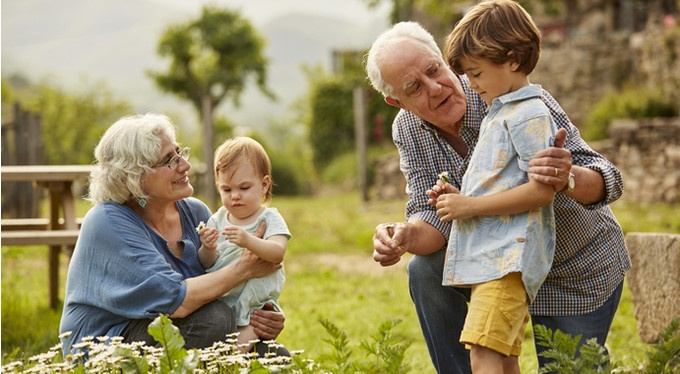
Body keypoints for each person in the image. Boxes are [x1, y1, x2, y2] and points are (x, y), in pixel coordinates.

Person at [365, 18, 630, 374]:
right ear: (396, 101)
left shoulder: (513, 95)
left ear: (444, 60)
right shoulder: (409, 129)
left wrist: (566, 175)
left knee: (569, 368)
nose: (436, 87)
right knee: (425, 270)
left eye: (434, 69)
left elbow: (608, 179)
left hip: (570, 267)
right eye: (415, 87)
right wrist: (406, 235)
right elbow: (431, 215)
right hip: (496, 268)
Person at [59, 113, 287, 358]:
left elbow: (219, 281)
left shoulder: (195, 212)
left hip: (176, 329)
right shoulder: (107, 221)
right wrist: (246, 268)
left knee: (276, 357)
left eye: (180, 153)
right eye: (169, 160)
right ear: (135, 177)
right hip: (108, 345)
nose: (185, 165)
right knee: (215, 320)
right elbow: (176, 301)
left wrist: (261, 314)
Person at [432, 1, 558, 372]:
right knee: (501, 355)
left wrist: (469, 207)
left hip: (507, 260)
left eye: (476, 74)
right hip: (494, 259)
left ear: (513, 60)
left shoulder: (529, 113)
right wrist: (457, 197)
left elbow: (542, 191)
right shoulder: (501, 110)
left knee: (483, 352)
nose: (471, 86)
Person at [197, 136, 290, 354]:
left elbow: (277, 253)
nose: (235, 196)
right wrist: (208, 248)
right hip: (224, 297)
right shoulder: (217, 219)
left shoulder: (269, 218)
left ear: (264, 185)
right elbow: (205, 263)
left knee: (234, 352)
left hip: (255, 304)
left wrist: (249, 240)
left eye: (244, 187)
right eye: (226, 190)